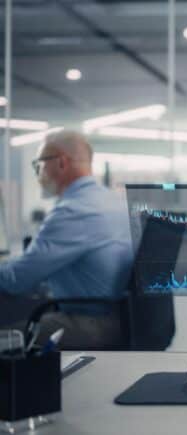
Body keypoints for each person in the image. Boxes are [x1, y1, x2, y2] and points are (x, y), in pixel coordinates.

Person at [0, 131, 133, 349]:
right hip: (122, 318)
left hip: (91, 324)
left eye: (39, 164)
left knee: (8, 336)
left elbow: (16, 280)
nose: (38, 173)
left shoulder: (73, 211)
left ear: (61, 163)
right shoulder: (113, 201)